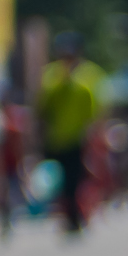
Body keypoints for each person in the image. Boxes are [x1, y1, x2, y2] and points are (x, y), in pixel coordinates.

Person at [36, 31, 105, 234]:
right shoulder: (51, 76)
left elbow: (95, 109)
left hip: (78, 139)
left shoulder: (89, 76)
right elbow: (42, 107)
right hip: (54, 139)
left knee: (76, 180)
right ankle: (66, 214)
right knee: (58, 181)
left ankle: (76, 216)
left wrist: (95, 135)